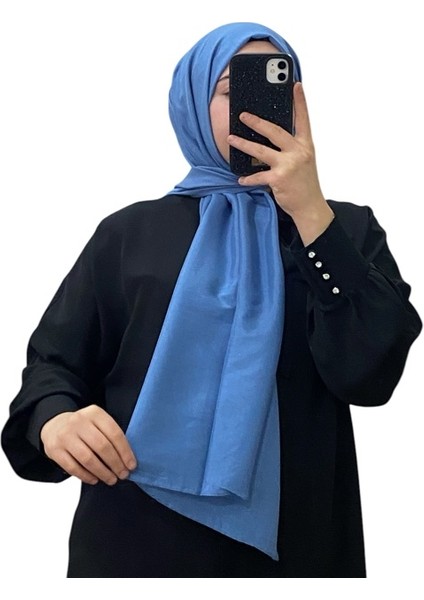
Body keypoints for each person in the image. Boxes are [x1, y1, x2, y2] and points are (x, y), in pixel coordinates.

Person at [1, 22, 421, 578]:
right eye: (232, 88)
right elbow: (53, 365)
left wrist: (311, 213)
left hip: (297, 547)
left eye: (278, 86)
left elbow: (370, 376)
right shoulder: (129, 232)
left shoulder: (344, 229)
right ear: (194, 105)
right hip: (135, 539)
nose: (257, 107)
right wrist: (55, 419)